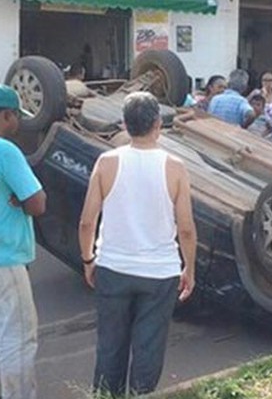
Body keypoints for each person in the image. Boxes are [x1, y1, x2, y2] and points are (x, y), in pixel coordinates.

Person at [78, 92, 197, 396]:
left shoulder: (106, 162)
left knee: (110, 346)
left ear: (124, 124)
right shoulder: (175, 167)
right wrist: (189, 270)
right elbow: (185, 229)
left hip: (113, 267)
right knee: (148, 348)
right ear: (158, 123)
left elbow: (88, 222)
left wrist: (88, 259)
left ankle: (106, 395)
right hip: (160, 274)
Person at [0, 83, 47, 399]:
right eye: (16, 117)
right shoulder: (4, 150)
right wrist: (20, 196)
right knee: (17, 339)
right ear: (7, 116)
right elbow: (37, 203)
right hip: (5, 260)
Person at [247, 71, 272, 138]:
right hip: (261, 127)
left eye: (270, 80)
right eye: (265, 80)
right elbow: (246, 103)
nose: (268, 83)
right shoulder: (256, 93)